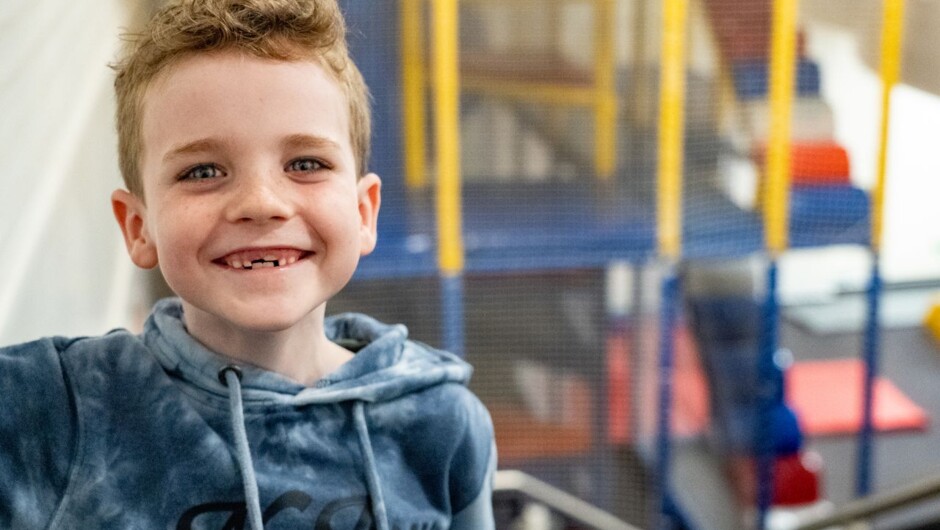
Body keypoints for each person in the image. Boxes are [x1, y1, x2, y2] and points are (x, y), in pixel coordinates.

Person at [0, 0, 496, 528]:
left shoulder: (441, 425)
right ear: (138, 227)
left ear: (363, 213)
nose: (261, 202)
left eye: (306, 164)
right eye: (203, 171)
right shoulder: (55, 410)